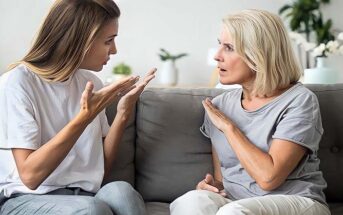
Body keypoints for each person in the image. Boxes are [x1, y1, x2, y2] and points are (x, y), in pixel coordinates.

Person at [0, 0, 156, 214]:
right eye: (108, 41)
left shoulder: (89, 83)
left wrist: (123, 112)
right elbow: (30, 177)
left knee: (122, 192)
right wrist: (84, 117)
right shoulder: (18, 82)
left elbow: (99, 170)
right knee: (92, 209)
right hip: (26, 199)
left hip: (85, 196)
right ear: (80, 40)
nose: (114, 50)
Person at [170, 9, 330, 215]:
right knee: (191, 201)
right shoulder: (218, 106)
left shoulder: (299, 100)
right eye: (220, 44)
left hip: (296, 200)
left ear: (258, 55)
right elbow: (224, 177)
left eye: (228, 47)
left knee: (233, 212)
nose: (217, 56)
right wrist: (214, 187)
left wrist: (229, 128)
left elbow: (269, 178)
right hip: (236, 202)